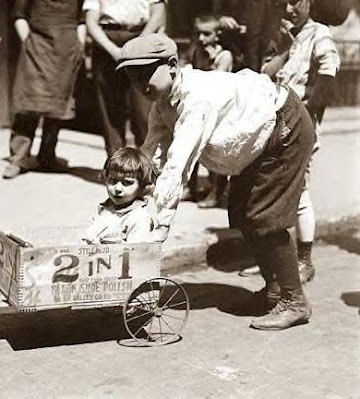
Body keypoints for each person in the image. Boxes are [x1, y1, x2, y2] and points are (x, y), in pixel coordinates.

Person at [118, 33, 315, 330]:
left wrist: (154, 231)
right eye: (133, 78)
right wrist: (129, 195)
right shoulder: (162, 106)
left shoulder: (198, 98)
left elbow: (178, 167)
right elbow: (152, 156)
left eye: (146, 74)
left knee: (266, 216)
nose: (140, 84)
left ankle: (294, 299)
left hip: (285, 129)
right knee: (242, 214)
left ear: (172, 66)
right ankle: (275, 290)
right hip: (259, 143)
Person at [240, 0, 341, 282]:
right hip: (272, 123)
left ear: (309, 3)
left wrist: (309, 110)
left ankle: (304, 260)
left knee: (298, 190)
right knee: (268, 188)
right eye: (282, 3)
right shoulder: (283, 35)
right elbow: (264, 76)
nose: (288, 9)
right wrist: (284, 48)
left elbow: (328, 73)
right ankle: (268, 259)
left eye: (295, 2)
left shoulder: (319, 33)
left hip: (300, 125)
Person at [2, 0, 86, 179]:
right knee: (29, 101)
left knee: (57, 104)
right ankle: (18, 158)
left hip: (66, 49)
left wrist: (80, 45)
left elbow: (82, 19)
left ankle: (47, 157)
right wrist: (28, 42)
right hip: (37, 46)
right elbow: (19, 15)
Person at [83, 0, 166, 157]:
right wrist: (114, 51)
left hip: (142, 39)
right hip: (108, 44)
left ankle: (146, 168)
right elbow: (91, 22)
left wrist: (136, 46)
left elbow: (158, 15)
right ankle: (117, 165)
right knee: (110, 109)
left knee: (144, 110)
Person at [181, 12, 233, 208]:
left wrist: (210, 63)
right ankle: (190, 187)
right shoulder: (197, 52)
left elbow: (215, 83)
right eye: (199, 34)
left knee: (215, 150)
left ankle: (216, 191)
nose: (202, 39)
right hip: (199, 106)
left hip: (219, 110)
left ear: (217, 34)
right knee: (191, 146)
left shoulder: (223, 55)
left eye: (207, 34)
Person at [82, 147, 159, 244]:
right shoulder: (105, 209)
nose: (117, 188)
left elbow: (134, 252)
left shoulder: (139, 218)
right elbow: (89, 237)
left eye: (127, 183)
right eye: (112, 181)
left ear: (142, 185)